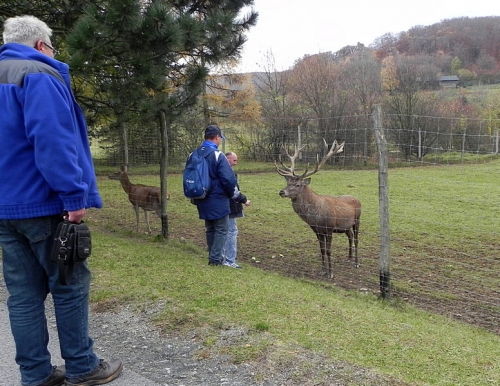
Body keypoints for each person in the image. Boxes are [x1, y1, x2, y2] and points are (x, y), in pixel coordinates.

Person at [0, 16, 122, 386]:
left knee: (22, 295)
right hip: (44, 203)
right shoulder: (37, 73)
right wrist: (73, 195)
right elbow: (52, 140)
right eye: (53, 47)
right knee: (69, 285)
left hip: (5, 209)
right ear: (41, 45)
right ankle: (83, 366)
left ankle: (35, 374)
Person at [191, 125, 236, 266]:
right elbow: (228, 179)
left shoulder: (194, 154)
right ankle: (215, 260)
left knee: (210, 228)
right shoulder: (217, 155)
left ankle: (213, 255)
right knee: (222, 228)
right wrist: (230, 194)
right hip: (217, 198)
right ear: (217, 137)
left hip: (200, 196)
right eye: (219, 139)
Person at [222, 152, 251, 269]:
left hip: (221, 206)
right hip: (229, 207)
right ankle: (229, 260)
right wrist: (244, 200)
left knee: (221, 231)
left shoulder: (217, 169)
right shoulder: (227, 172)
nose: (236, 163)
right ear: (227, 159)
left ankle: (220, 257)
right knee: (231, 232)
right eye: (234, 160)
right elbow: (232, 191)